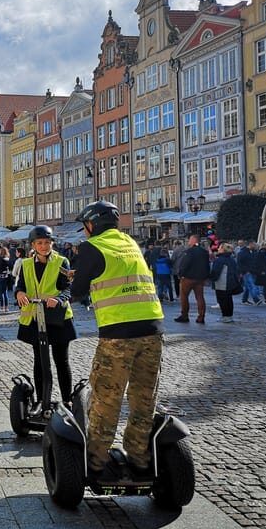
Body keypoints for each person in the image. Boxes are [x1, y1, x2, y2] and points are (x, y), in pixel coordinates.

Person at [70, 200, 165, 481]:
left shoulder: (92, 246)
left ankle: (97, 463)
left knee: (106, 399)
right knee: (143, 399)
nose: (85, 231)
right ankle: (139, 458)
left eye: (85, 226)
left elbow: (77, 291)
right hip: (152, 329)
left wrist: (77, 279)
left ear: (92, 225)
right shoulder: (129, 242)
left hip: (118, 334)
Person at [14, 226, 76, 406]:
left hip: (58, 317)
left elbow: (68, 288)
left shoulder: (61, 262)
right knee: (40, 361)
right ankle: (41, 400)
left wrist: (58, 299)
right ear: (33, 245)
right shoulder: (26, 264)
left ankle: (67, 401)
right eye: (40, 243)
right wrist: (19, 294)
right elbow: (20, 287)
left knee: (61, 361)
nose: (44, 246)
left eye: (47, 243)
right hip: (36, 318)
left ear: (52, 243)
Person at [175, 234, 211, 324]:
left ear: (194, 241)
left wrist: (180, 274)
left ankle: (184, 315)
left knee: (184, 296)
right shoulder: (204, 252)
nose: (188, 242)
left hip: (188, 278)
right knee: (200, 297)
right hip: (200, 278)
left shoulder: (189, 251)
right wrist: (205, 276)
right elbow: (207, 265)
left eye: (190, 240)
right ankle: (201, 317)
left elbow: (184, 264)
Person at [210, 243, 240, 323]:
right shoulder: (231, 259)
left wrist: (212, 278)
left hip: (222, 283)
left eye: (219, 248)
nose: (218, 249)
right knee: (229, 300)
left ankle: (225, 316)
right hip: (230, 282)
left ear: (223, 249)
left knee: (222, 300)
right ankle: (229, 316)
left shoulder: (220, 259)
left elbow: (216, 272)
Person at [236, 240, 263, 305]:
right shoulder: (242, 253)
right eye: (255, 245)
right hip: (247, 272)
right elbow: (239, 263)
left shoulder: (254, 252)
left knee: (248, 286)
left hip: (253, 271)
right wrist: (243, 272)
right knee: (251, 285)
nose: (256, 246)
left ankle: (244, 299)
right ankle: (256, 299)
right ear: (250, 244)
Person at [0, 245, 13, 313]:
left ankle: (2, 307)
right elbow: (11, 266)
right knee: (5, 293)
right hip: (5, 277)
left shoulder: (0, 259)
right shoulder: (7, 258)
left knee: (1, 293)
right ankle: (6, 308)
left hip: (0, 277)